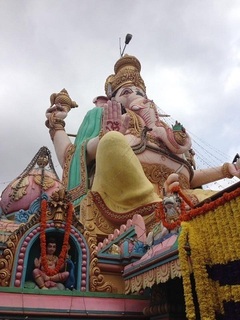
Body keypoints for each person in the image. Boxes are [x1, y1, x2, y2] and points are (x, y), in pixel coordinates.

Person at [45, 54, 240, 231]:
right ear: (112, 99)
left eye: (140, 92)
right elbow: (70, 159)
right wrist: (98, 135)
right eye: (127, 91)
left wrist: (226, 169)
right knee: (112, 141)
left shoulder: (164, 129)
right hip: (127, 200)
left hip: (181, 196)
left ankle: (172, 205)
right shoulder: (105, 115)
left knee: (222, 200)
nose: (136, 95)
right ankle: (159, 205)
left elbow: (188, 177)